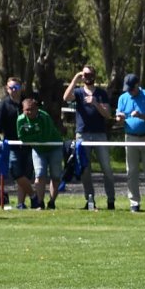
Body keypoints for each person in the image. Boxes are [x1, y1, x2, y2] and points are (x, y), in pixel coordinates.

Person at [63, 65, 116, 209]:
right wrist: (75, 78)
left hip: (99, 134)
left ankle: (111, 200)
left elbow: (107, 114)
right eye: (85, 75)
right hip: (82, 134)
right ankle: (90, 200)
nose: (88, 77)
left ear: (94, 76)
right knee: (85, 169)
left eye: (90, 74)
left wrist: (95, 103)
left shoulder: (101, 93)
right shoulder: (78, 92)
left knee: (106, 168)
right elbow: (66, 97)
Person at [115, 74, 145, 212]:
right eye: (128, 89)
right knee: (131, 172)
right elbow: (118, 118)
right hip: (130, 137)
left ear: (137, 85)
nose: (130, 91)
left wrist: (141, 115)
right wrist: (119, 119)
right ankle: (134, 202)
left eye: (132, 89)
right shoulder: (123, 98)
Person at [0, 77, 36, 209]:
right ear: (7, 89)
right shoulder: (3, 104)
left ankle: (20, 204)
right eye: (11, 88)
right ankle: (34, 197)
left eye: (16, 87)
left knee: (26, 175)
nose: (13, 90)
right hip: (11, 145)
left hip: (28, 144)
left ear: (21, 88)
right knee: (16, 173)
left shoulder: (27, 102)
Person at [17, 98, 64, 210]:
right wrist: (36, 138)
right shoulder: (21, 120)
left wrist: (31, 138)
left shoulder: (44, 116)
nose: (29, 112)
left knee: (55, 176)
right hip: (38, 150)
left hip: (54, 148)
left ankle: (52, 202)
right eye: (27, 110)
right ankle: (40, 202)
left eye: (32, 109)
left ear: (37, 109)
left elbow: (45, 137)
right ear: (23, 110)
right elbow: (22, 137)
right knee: (39, 175)